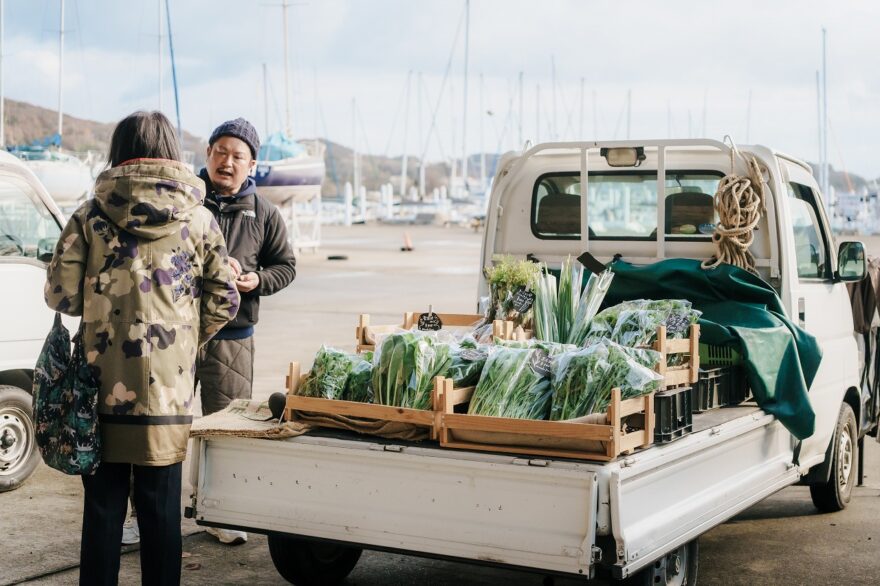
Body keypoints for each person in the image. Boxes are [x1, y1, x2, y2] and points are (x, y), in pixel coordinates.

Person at [45, 111, 240, 586]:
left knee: (103, 509)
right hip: (169, 391)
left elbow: (59, 294)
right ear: (171, 149)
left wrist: (102, 307)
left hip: (99, 385)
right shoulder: (200, 218)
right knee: (160, 510)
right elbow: (225, 298)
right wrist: (187, 338)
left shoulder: (91, 214)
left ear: (119, 150)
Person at [196, 118, 296, 545]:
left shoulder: (265, 212)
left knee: (228, 429)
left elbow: (286, 266)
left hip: (232, 339)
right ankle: (137, 514)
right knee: (156, 427)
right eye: (221, 151)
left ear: (251, 164)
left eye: (238, 156)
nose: (227, 161)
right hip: (176, 335)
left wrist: (257, 280)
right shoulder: (188, 201)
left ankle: (223, 513)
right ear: (207, 154)